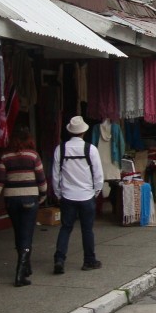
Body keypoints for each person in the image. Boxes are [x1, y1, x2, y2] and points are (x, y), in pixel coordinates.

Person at [0, 127, 47, 287]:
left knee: (18, 232)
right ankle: (20, 274)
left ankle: (26, 267)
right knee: (27, 234)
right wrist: (43, 195)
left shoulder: (5, 157)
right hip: (30, 197)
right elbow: (41, 179)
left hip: (11, 200)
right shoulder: (33, 156)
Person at [51, 116, 104, 274]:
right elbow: (98, 175)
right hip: (87, 195)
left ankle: (59, 259)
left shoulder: (60, 149)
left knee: (65, 228)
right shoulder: (91, 149)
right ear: (84, 132)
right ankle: (89, 260)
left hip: (67, 196)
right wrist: (95, 192)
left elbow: (55, 175)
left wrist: (58, 193)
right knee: (87, 229)